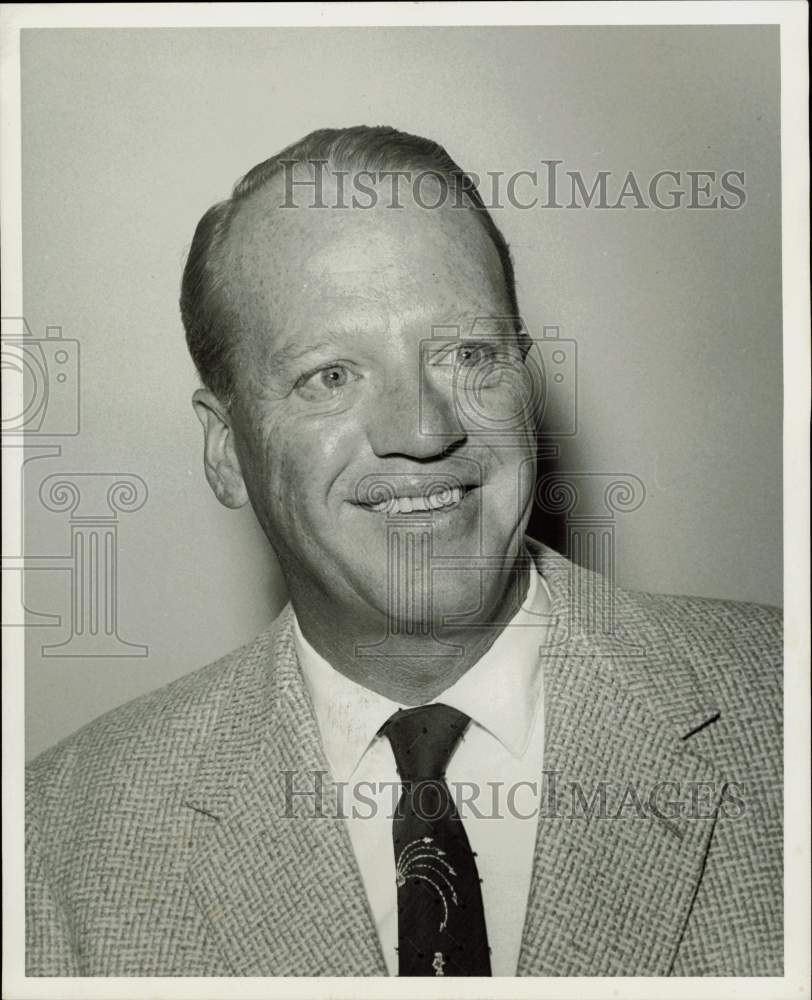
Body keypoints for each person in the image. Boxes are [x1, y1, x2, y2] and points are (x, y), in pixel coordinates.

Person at [25, 126, 782, 977]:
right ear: (226, 450)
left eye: (467, 354)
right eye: (330, 376)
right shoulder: (53, 848)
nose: (425, 431)